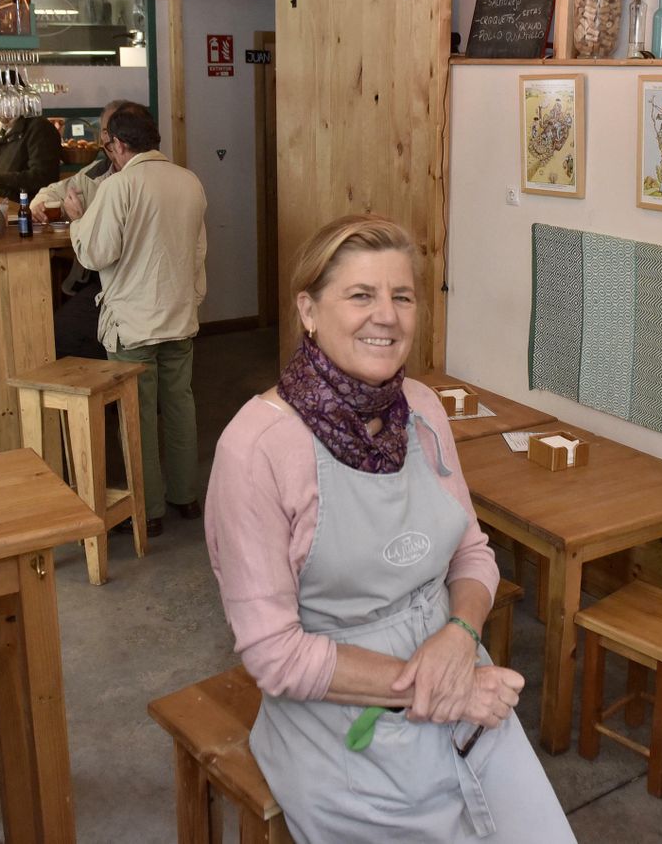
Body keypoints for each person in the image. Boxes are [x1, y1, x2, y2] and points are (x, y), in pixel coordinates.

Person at [205, 215, 574, 843]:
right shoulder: (257, 448)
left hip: (463, 681)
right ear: (309, 311)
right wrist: (433, 686)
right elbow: (275, 654)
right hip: (340, 731)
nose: (387, 315)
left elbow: (474, 556)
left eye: (401, 296)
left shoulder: (423, 410)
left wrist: (459, 636)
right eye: (360, 295)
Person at [69, 104, 206, 537]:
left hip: (133, 322)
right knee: (180, 405)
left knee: (138, 414)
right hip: (179, 315)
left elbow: (95, 254)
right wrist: (193, 300)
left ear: (121, 145)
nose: (108, 152)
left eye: (108, 145)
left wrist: (77, 219)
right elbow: (198, 252)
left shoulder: (120, 187)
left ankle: (149, 511)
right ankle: (186, 496)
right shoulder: (190, 182)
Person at [32, 99, 132, 360]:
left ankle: (106, 395)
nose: (107, 140)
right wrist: (39, 204)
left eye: (112, 133)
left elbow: (106, 250)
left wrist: (80, 220)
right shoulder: (95, 173)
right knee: (56, 330)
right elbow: (52, 191)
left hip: (121, 283)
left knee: (60, 337)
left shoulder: (138, 180)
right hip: (98, 280)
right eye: (104, 132)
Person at [0, 113, 60, 202]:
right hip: (3, 205)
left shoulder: (40, 127)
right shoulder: (5, 129)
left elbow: (43, 176)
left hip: (27, 208)